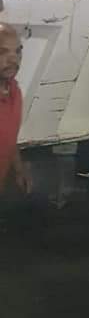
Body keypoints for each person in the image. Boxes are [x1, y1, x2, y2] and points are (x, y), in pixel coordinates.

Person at [0, 23, 30, 199]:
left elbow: (9, 139)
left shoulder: (14, 91)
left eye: (18, 51)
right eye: (2, 52)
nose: (14, 60)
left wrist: (19, 169)